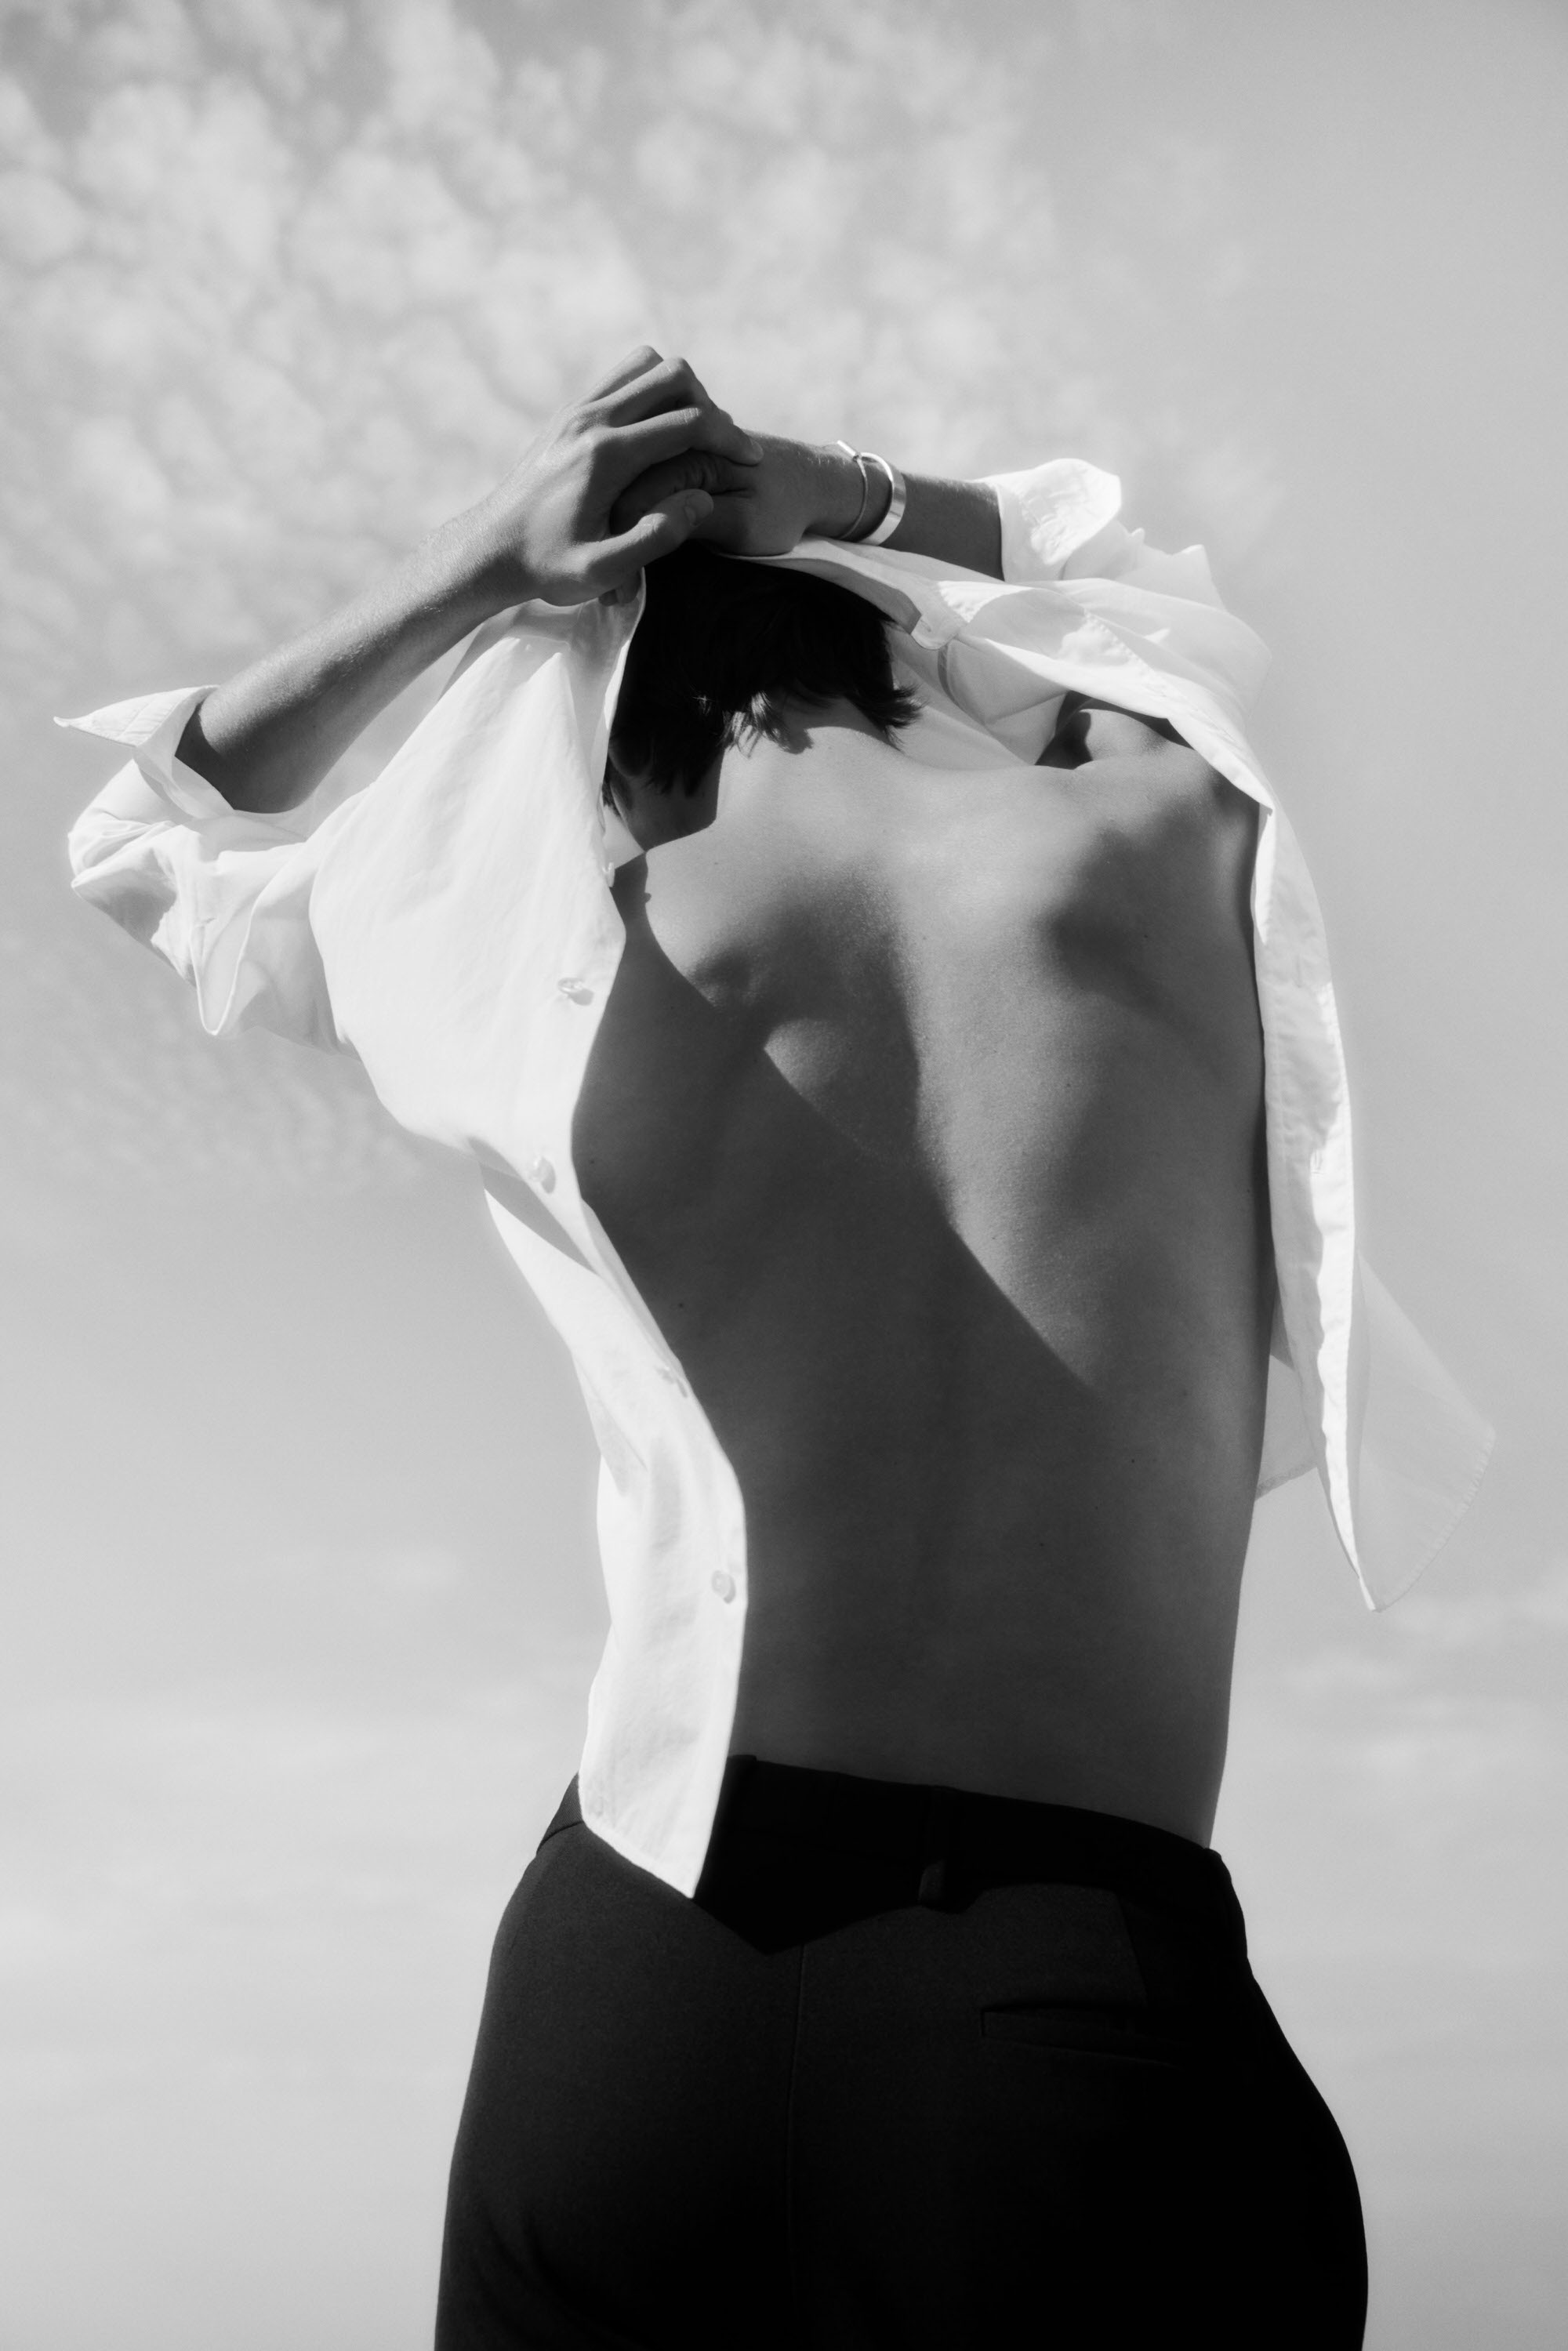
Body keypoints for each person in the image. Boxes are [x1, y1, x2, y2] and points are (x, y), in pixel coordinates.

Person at [66, 348, 1490, 2347]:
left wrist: (489, 563)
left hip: (638, 1982)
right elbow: (1128, 568)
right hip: (1070, 2002)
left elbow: (147, 832)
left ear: (598, 731)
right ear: (915, 645)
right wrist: (829, 487)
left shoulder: (579, 939)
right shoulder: (1166, 822)